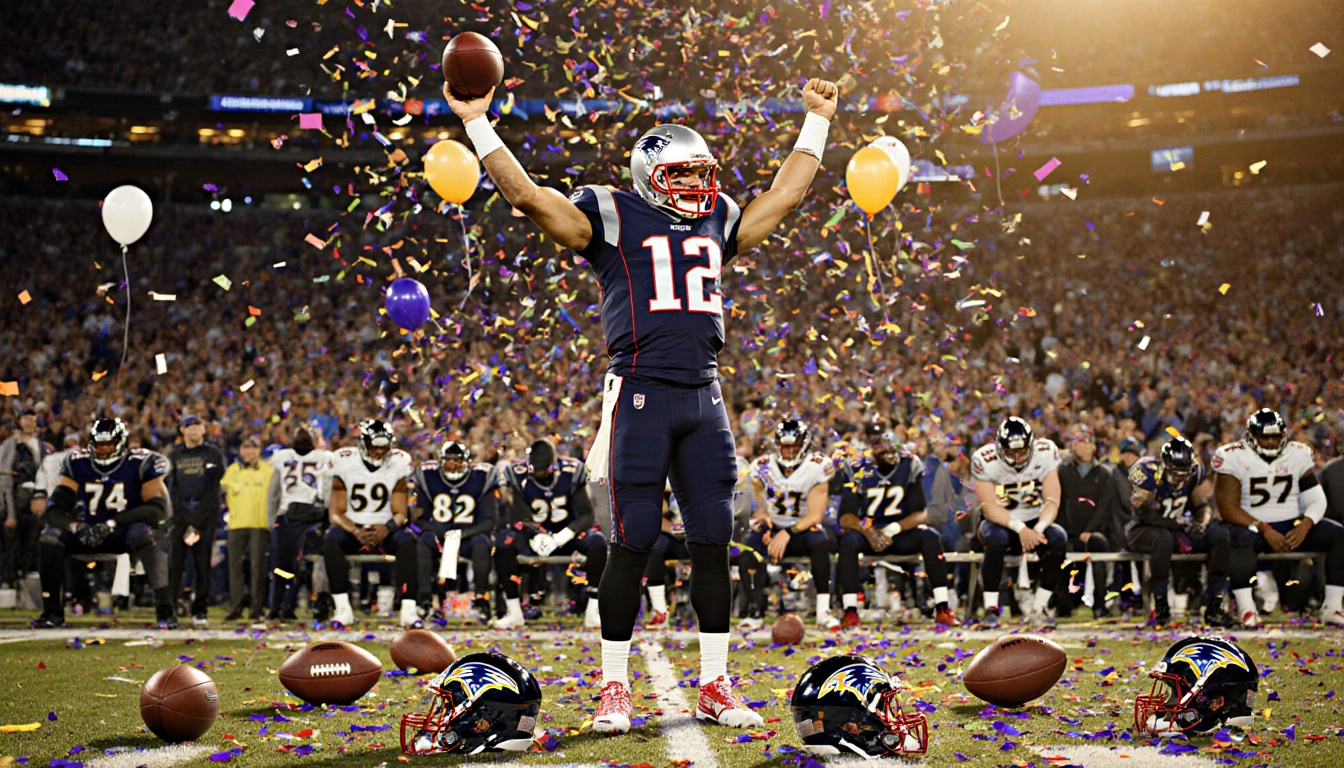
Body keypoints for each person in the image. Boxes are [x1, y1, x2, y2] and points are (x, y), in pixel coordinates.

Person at [447, 74, 838, 733]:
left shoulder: (717, 216)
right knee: (631, 541)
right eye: (683, 174)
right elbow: (527, 197)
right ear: (650, 176)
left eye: (702, 173)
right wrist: (477, 121)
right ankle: (614, 688)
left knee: (713, 540)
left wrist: (818, 120)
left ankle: (714, 683)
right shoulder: (611, 212)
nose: (698, 185)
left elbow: (786, 195)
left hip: (705, 394)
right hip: (639, 391)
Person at [33, 418, 176, 629]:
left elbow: (156, 510)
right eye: (99, 444)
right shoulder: (77, 463)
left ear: (120, 444)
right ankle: (52, 612)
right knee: (49, 537)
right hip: (87, 531)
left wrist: (111, 524)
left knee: (146, 533)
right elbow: (54, 509)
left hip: (122, 533)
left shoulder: (140, 463)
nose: (103, 449)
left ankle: (165, 611)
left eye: (108, 444)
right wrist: (76, 527)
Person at [1214, 409, 1344, 627]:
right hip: (1252, 526)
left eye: (1276, 436)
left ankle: (1333, 607)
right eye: (1264, 437)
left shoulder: (1297, 454)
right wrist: (1264, 527)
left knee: (1339, 535)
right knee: (1239, 539)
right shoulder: (1233, 456)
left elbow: (1316, 499)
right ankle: (1247, 610)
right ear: (1251, 437)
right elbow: (1227, 508)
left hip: (1291, 524)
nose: (1271, 442)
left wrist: (1306, 523)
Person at [836, 421, 955, 628]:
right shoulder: (858, 469)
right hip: (868, 535)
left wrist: (893, 529)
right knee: (848, 542)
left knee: (930, 537)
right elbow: (845, 517)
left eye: (894, 451)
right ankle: (850, 610)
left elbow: (920, 514)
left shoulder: (909, 465)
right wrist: (869, 532)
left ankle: (942, 607)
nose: (892, 457)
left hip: (900, 533)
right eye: (886, 452)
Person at [492, 439, 605, 629]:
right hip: (535, 536)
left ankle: (593, 612)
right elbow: (518, 516)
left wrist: (563, 536)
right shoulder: (518, 473)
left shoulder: (571, 472)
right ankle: (514, 612)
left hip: (566, 535)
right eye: (534, 470)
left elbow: (587, 515)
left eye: (543, 471)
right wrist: (535, 534)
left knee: (598, 543)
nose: (538, 474)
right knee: (504, 542)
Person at [1126, 437, 1236, 628]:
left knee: (1220, 536)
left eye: (1185, 473)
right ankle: (1161, 608)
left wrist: (1201, 523)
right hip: (1145, 529)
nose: (1180, 478)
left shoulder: (1194, 473)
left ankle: (1214, 607)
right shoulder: (1147, 472)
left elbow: (1201, 505)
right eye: (1175, 473)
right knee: (1163, 539)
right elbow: (1145, 514)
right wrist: (1179, 524)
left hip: (1178, 528)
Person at [971, 416, 1067, 629]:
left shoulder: (1045, 452)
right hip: (1001, 522)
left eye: (1022, 452)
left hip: (1035, 521)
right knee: (995, 537)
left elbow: (1052, 500)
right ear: (999, 448)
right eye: (1011, 453)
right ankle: (991, 608)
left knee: (1058, 538)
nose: (1017, 458)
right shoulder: (984, 459)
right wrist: (1020, 528)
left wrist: (1038, 529)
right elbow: (989, 506)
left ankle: (1040, 607)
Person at [740, 419, 838, 630]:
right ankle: (755, 609)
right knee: (748, 547)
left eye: (794, 446)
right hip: (774, 528)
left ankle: (823, 610)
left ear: (804, 445)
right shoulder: (762, 467)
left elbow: (815, 516)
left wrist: (787, 533)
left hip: (801, 529)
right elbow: (762, 508)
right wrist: (766, 526)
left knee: (820, 541)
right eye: (785, 446)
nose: (789, 451)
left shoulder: (817, 466)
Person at [324, 418, 417, 627]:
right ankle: (342, 608)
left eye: (384, 447)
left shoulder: (399, 462)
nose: (379, 452)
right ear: (363, 444)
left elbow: (401, 512)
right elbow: (335, 513)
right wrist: (355, 530)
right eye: (374, 446)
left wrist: (387, 528)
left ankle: (409, 610)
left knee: (408, 539)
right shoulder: (344, 461)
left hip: (385, 530)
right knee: (331, 539)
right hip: (353, 529)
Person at [410, 440, 499, 624]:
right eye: (449, 460)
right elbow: (418, 520)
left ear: (467, 463)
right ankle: (425, 600)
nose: (453, 465)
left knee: (482, 544)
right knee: (422, 542)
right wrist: (439, 533)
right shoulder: (428, 477)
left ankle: (481, 600)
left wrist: (462, 535)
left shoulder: (481, 478)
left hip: (468, 537)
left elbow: (490, 520)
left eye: (457, 461)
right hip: (439, 535)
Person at [265, 425, 333, 621]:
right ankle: (279, 606)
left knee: (310, 564)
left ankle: (309, 605)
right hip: (288, 516)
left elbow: (329, 490)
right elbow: (274, 492)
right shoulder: (283, 457)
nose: (303, 437)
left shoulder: (325, 458)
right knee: (282, 566)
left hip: (312, 517)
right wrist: (272, 521)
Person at [167, 415, 226, 625]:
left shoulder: (213, 453)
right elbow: (172, 488)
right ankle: (170, 610)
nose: (193, 430)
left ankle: (200, 610)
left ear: (203, 429)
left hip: (204, 518)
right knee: (175, 566)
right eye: (188, 426)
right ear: (182, 431)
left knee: (202, 566)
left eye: (197, 426)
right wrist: (183, 518)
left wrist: (196, 520)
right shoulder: (174, 455)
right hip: (180, 517)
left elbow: (213, 489)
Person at [1055, 423, 1119, 619]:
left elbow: (1104, 506)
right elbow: (1058, 501)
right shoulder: (1063, 471)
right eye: (1077, 443)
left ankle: (1100, 604)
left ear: (1092, 446)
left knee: (1099, 548)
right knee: (1060, 552)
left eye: (1084, 442)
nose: (1081, 447)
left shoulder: (1104, 473)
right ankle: (1064, 604)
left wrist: (1091, 529)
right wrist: (1063, 529)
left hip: (1093, 531)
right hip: (1068, 530)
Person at [220, 437, 273, 622]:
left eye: (253, 448)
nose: (250, 451)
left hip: (259, 523)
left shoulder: (268, 470)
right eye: (246, 448)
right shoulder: (232, 470)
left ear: (259, 451)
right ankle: (236, 607)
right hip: (236, 523)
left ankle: (257, 608)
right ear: (240, 451)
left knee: (258, 567)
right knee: (234, 567)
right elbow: (224, 487)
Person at [1, 409, 52, 587]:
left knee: (35, 537)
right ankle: (9, 580)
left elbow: (47, 472)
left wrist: (42, 496)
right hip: (17, 496)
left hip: (37, 495)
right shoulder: (11, 444)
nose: (29, 422)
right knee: (12, 537)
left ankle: (28, 575)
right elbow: (5, 477)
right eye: (25, 419)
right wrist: (9, 512)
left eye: (32, 419)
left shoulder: (42, 446)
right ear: (20, 421)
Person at [642, 481, 689, 628]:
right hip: (668, 534)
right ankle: (660, 610)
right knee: (653, 547)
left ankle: (711, 612)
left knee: (708, 549)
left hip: (696, 533)